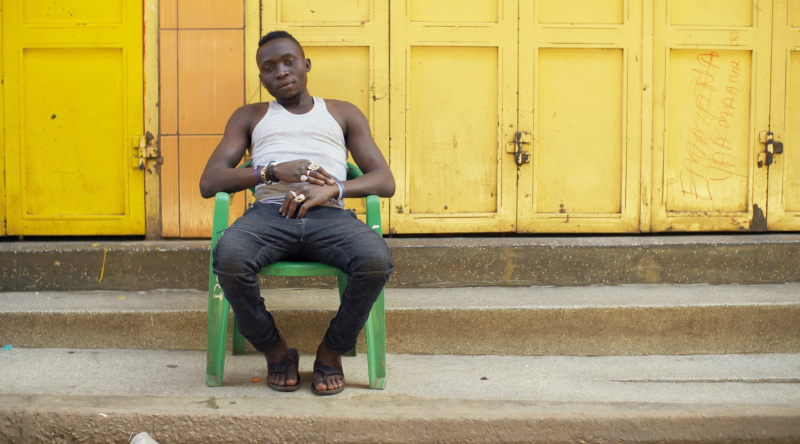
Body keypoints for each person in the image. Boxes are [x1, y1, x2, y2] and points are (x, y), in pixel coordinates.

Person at [199, 30, 395, 395]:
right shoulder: (250, 116)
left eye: (289, 62)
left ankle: (331, 351)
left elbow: (384, 180)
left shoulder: (341, 112)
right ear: (261, 77)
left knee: (375, 259)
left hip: (330, 216)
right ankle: (276, 351)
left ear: (305, 65)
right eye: (269, 67)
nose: (282, 72)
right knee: (228, 258)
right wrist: (271, 170)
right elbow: (209, 181)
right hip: (269, 215)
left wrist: (332, 189)